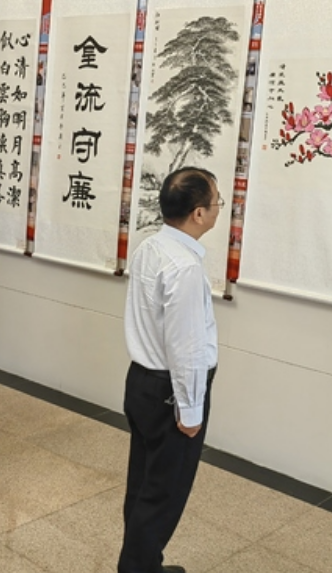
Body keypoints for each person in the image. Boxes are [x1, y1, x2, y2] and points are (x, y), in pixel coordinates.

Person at [119, 167, 222, 573]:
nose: (219, 209)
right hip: (170, 392)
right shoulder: (185, 267)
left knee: (144, 483)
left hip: (142, 384)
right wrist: (191, 409)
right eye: (216, 202)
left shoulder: (150, 247)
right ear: (198, 213)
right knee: (164, 494)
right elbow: (186, 347)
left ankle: (144, 563)